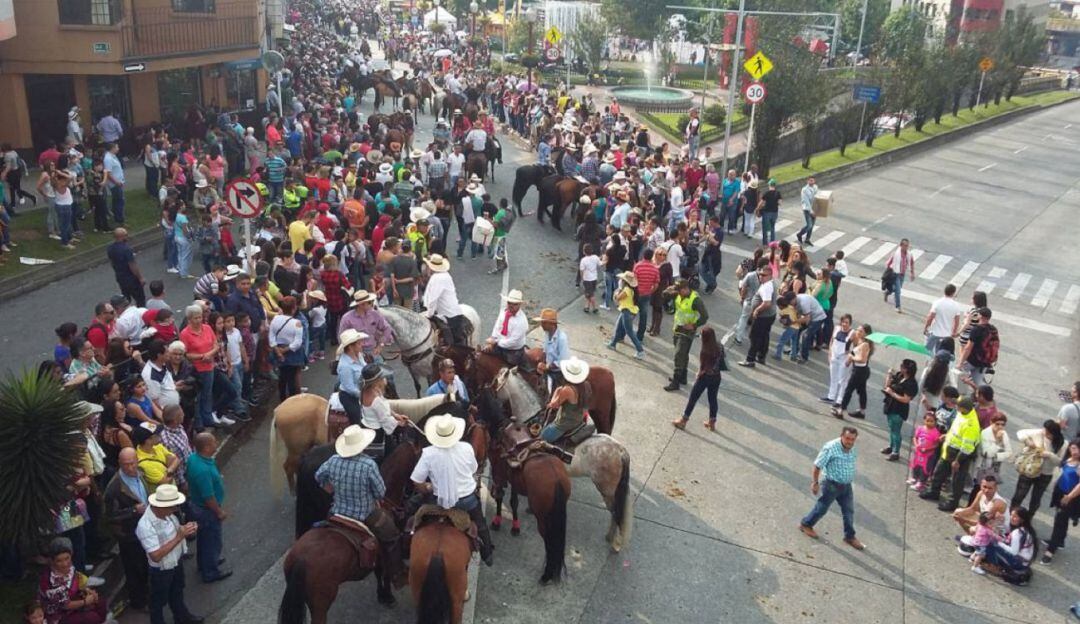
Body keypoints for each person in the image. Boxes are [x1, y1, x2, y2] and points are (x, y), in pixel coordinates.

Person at [314, 425, 406, 588]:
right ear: (362, 445)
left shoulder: (333, 460)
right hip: (365, 514)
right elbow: (380, 492)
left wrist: (330, 488)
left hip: (338, 512)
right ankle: (397, 574)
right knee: (392, 536)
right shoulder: (368, 464)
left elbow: (318, 475)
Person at [410, 413, 494, 565]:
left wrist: (427, 487)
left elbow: (416, 480)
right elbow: (473, 469)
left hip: (438, 501)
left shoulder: (428, 453)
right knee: (480, 524)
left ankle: (404, 546)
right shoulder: (467, 448)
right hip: (467, 501)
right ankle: (487, 554)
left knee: (410, 512)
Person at [135, 484, 203, 624]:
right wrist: (179, 536)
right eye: (172, 506)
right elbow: (156, 555)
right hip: (161, 569)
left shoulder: (168, 515)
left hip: (175, 561)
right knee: (158, 602)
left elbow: (175, 532)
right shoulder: (145, 526)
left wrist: (186, 529)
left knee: (177, 591)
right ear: (160, 506)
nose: (175, 509)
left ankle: (182, 617)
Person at [799, 427, 865, 551]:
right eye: (847, 438)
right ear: (841, 436)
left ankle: (849, 536)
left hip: (846, 486)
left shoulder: (852, 448)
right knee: (822, 508)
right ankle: (806, 524)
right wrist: (815, 482)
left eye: (852, 439)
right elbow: (818, 465)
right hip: (831, 484)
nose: (849, 442)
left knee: (849, 511)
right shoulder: (830, 447)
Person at [104, 448, 149, 611]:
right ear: (119, 464)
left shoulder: (140, 473)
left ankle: (148, 595)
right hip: (129, 535)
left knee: (145, 564)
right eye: (126, 465)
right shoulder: (114, 488)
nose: (130, 467)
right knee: (134, 569)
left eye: (132, 463)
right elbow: (110, 516)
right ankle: (139, 601)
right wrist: (132, 511)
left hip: (145, 528)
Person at [920, 395, 981, 512]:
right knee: (939, 472)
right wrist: (947, 435)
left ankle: (952, 503)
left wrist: (958, 461)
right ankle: (934, 491)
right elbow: (955, 429)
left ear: (964, 408)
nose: (956, 407)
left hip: (960, 456)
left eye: (958, 406)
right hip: (949, 450)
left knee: (957, 480)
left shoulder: (971, 424)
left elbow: (967, 447)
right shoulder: (962, 414)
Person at [185, 433, 231, 583]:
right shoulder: (202, 471)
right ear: (206, 447)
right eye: (213, 442)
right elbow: (208, 497)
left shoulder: (193, 458)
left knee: (204, 539)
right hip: (207, 511)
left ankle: (204, 563)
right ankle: (210, 571)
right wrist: (219, 512)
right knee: (212, 539)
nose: (216, 443)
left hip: (198, 507)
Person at [37, 537, 110, 624]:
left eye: (67, 558)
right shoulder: (52, 582)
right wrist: (86, 601)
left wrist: (87, 591)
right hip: (59, 615)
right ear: (52, 561)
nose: (64, 564)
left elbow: (76, 580)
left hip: (73, 599)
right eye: (59, 561)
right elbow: (65, 605)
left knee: (100, 603)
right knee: (92, 618)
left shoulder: (70, 567)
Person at [671, 327, 725, 431]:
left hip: (705, 377)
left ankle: (683, 420)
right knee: (713, 399)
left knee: (693, 399)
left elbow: (703, 367)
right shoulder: (719, 346)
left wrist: (698, 374)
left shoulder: (705, 350)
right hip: (717, 377)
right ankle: (712, 422)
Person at [1010, 420, 1064, 516]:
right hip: (1029, 470)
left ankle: (1028, 518)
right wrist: (1028, 441)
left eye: (1048, 433)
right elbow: (1020, 433)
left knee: (1036, 499)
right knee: (1019, 495)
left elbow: (1060, 463)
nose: (1045, 433)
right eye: (1045, 430)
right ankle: (1013, 515)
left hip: (1045, 474)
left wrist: (1049, 455)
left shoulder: (1062, 443)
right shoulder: (1039, 433)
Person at [664, 278, 709, 391]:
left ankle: (675, 382)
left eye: (679, 290)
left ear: (685, 289)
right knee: (683, 354)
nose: (677, 292)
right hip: (677, 328)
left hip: (687, 332)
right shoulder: (678, 295)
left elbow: (705, 316)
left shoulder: (695, 300)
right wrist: (668, 290)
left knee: (679, 355)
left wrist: (694, 325)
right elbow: (664, 295)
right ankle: (683, 377)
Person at [1041, 438, 1080, 565]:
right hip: (1060, 493)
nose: (1074, 451)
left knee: (1059, 521)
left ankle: (1050, 551)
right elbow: (1061, 467)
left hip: (1070, 497)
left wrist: (1069, 497)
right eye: (1073, 448)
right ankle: (1060, 541)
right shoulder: (1068, 459)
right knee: (1061, 519)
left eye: (1077, 449)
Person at [421, 255, 469, 346]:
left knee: (454, 343)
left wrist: (429, 314)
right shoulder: (445, 275)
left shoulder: (437, 278)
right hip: (448, 311)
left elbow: (433, 299)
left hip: (448, 314)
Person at [541, 357, 591, 443]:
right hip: (579, 418)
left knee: (543, 436)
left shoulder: (567, 390)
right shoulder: (586, 385)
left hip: (565, 424)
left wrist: (556, 391)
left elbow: (553, 405)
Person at [268, 296, 306, 401]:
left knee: (282, 376)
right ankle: (292, 401)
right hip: (292, 353)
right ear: (294, 308)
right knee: (292, 378)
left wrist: (278, 351)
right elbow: (298, 342)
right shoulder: (297, 323)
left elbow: (271, 337)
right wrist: (284, 351)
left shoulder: (275, 319)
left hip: (278, 349)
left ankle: (282, 398)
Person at [738, 266, 776, 369]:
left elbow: (767, 303)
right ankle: (761, 356)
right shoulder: (769, 283)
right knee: (764, 336)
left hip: (763, 316)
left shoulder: (767, 286)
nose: (761, 277)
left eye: (764, 275)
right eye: (760, 274)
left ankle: (750, 359)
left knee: (754, 337)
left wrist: (757, 310)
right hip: (769, 315)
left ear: (770, 276)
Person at [881, 359, 918, 461]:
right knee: (891, 428)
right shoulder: (899, 376)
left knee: (896, 430)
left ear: (906, 370)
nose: (900, 367)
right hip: (890, 405)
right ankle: (891, 446)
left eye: (902, 366)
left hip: (899, 409)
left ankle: (895, 451)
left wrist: (893, 394)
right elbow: (887, 386)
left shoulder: (911, 384)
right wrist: (889, 375)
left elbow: (906, 399)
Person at [833, 324, 873, 419]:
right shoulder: (860, 341)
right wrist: (849, 360)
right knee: (862, 390)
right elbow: (855, 351)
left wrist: (851, 357)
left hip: (860, 371)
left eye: (861, 331)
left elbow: (862, 359)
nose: (858, 332)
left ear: (866, 334)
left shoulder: (865, 344)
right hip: (861, 370)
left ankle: (841, 410)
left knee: (849, 389)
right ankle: (862, 411)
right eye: (857, 330)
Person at [606, 271, 645, 360]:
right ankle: (612, 344)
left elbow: (617, 298)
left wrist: (618, 290)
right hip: (628, 311)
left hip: (626, 312)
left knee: (629, 332)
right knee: (618, 327)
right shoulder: (632, 290)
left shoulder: (626, 290)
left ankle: (640, 351)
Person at [957, 306, 998, 390]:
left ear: (980, 316)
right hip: (985, 362)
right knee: (978, 382)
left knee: (959, 374)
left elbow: (968, 348)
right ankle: (984, 397)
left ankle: (961, 395)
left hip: (972, 360)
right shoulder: (993, 329)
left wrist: (960, 363)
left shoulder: (976, 329)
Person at [485, 289, 528, 367]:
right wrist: (492, 339)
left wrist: (496, 342)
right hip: (499, 344)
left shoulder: (522, 321)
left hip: (513, 352)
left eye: (514, 304)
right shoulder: (503, 313)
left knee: (507, 371)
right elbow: (497, 327)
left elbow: (513, 342)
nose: (511, 305)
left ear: (519, 305)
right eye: (509, 303)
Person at [107, 229, 146, 307]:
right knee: (140, 299)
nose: (128, 237)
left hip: (120, 277)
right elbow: (132, 265)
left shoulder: (110, 248)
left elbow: (112, 262)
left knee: (125, 299)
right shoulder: (126, 249)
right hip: (131, 278)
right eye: (126, 235)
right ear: (122, 237)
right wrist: (140, 278)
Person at [534, 308, 570, 393]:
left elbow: (563, 361)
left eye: (543, 323)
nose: (541, 325)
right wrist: (541, 363)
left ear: (551, 324)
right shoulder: (547, 333)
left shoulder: (562, 338)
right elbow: (545, 350)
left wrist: (547, 366)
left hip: (558, 373)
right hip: (548, 368)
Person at [823, 314, 852, 406]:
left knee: (843, 380)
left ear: (850, 323)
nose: (844, 324)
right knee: (833, 378)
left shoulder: (853, 333)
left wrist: (850, 357)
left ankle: (840, 400)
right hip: (834, 357)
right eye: (843, 322)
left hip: (844, 358)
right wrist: (830, 354)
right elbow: (832, 341)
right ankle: (831, 397)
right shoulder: (837, 328)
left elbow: (856, 347)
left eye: (846, 322)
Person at [923, 284, 962, 353]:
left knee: (928, 352)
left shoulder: (937, 303)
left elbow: (930, 317)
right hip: (947, 335)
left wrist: (926, 327)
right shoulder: (956, 305)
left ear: (944, 291)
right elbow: (956, 322)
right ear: (953, 293)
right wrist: (954, 332)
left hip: (935, 333)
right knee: (940, 355)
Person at [884, 238, 916, 313]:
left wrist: (912, 273)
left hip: (902, 275)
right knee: (898, 291)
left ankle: (887, 292)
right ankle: (897, 306)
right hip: (895, 274)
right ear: (901, 245)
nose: (906, 247)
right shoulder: (896, 253)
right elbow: (888, 263)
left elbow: (911, 263)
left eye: (907, 246)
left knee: (895, 289)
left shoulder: (909, 254)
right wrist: (889, 271)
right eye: (905, 245)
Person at [795, 177, 817, 246]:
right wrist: (811, 211)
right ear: (807, 181)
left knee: (812, 225)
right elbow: (806, 201)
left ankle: (807, 239)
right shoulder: (804, 190)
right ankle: (799, 234)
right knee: (809, 225)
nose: (812, 182)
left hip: (814, 208)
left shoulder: (815, 187)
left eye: (813, 180)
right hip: (807, 209)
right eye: (810, 180)